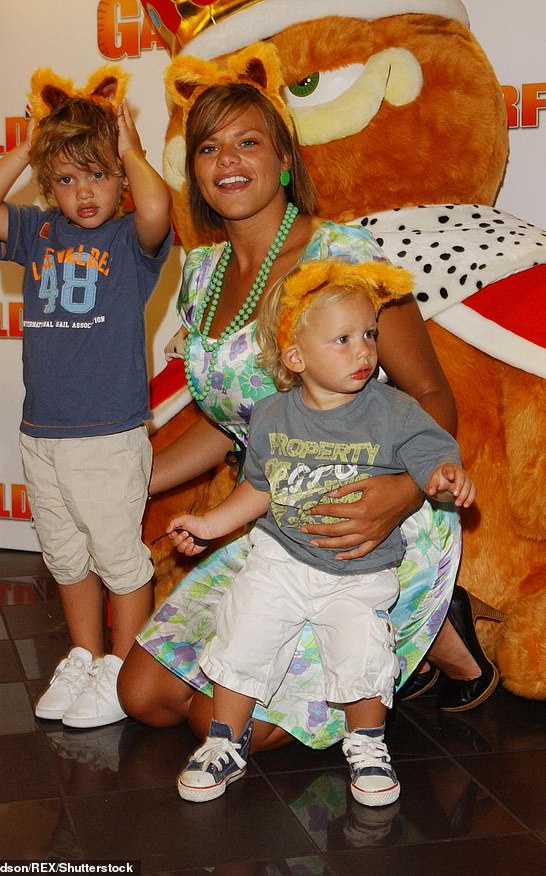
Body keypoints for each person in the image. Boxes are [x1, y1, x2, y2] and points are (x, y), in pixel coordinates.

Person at [117, 50, 495, 754]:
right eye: (208, 146)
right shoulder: (202, 274)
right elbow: (232, 418)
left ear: (285, 161)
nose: (227, 159)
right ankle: (410, 645)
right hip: (274, 527)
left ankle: (425, 620)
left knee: (211, 722)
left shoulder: (345, 257)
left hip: (371, 523)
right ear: (195, 171)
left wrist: (401, 492)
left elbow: (429, 393)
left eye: (247, 141)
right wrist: (130, 474)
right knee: (145, 696)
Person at [165, 258, 476, 805]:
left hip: (360, 567)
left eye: (369, 336)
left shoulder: (393, 410)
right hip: (280, 559)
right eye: (343, 339)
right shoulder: (271, 415)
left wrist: (443, 476)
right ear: (295, 357)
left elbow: (431, 452)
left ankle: (368, 744)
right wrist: (209, 525)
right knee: (243, 631)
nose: (364, 351)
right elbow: (258, 487)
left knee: (363, 651)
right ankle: (224, 742)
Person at [0, 68, 173, 729]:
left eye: (100, 175)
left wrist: (131, 147)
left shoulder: (130, 240)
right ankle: (85, 655)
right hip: (42, 431)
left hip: (107, 434)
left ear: (120, 180)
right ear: (48, 186)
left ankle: (122, 664)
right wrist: (35, 145)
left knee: (117, 556)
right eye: (68, 178)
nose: (85, 192)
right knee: (64, 555)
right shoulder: (38, 232)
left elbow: (160, 208)